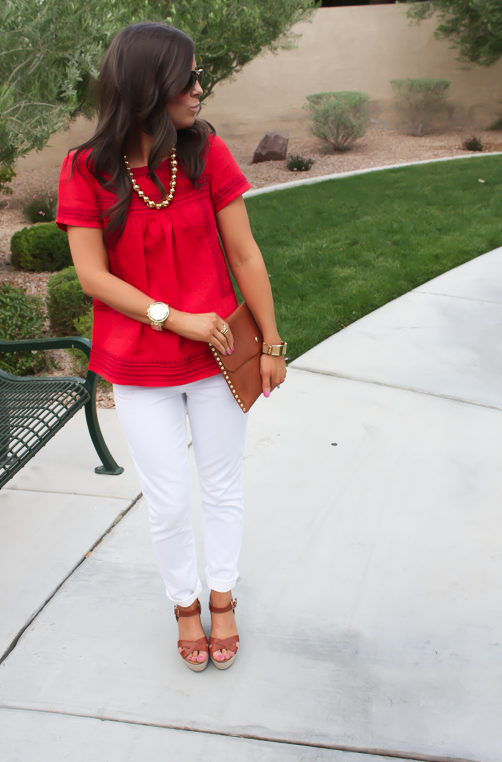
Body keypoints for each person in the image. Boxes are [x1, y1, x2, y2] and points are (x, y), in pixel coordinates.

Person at [56, 22, 287, 672]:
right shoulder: (85, 170)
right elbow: (93, 276)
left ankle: (221, 598)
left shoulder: (205, 153)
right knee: (167, 499)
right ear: (149, 88)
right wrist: (172, 316)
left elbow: (244, 252)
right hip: (138, 364)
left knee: (220, 487)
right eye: (188, 77)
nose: (199, 88)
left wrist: (272, 342)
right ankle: (183, 603)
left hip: (217, 361)